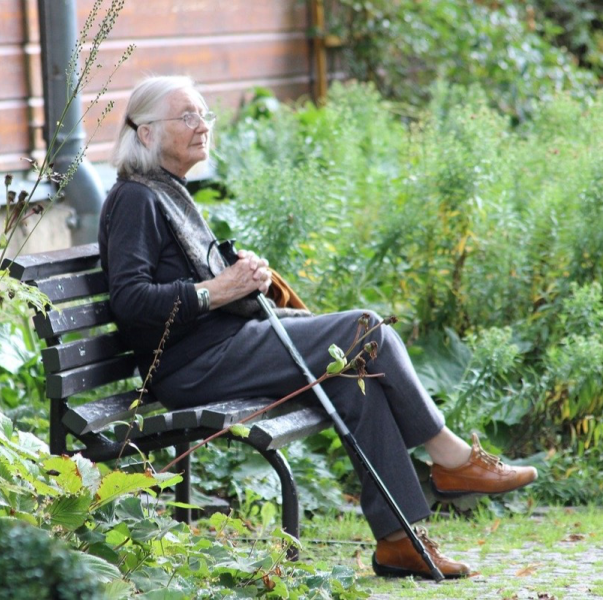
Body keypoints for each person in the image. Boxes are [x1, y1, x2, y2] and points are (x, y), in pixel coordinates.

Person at [98, 75, 537, 579]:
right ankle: (451, 458)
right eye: (188, 116)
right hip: (195, 367)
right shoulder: (135, 199)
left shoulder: (167, 191)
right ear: (147, 133)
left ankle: (399, 541)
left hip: (222, 348)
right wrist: (219, 289)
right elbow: (131, 302)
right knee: (364, 331)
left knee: (354, 376)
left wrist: (240, 276)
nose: (203, 126)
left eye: (205, 114)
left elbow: (188, 281)